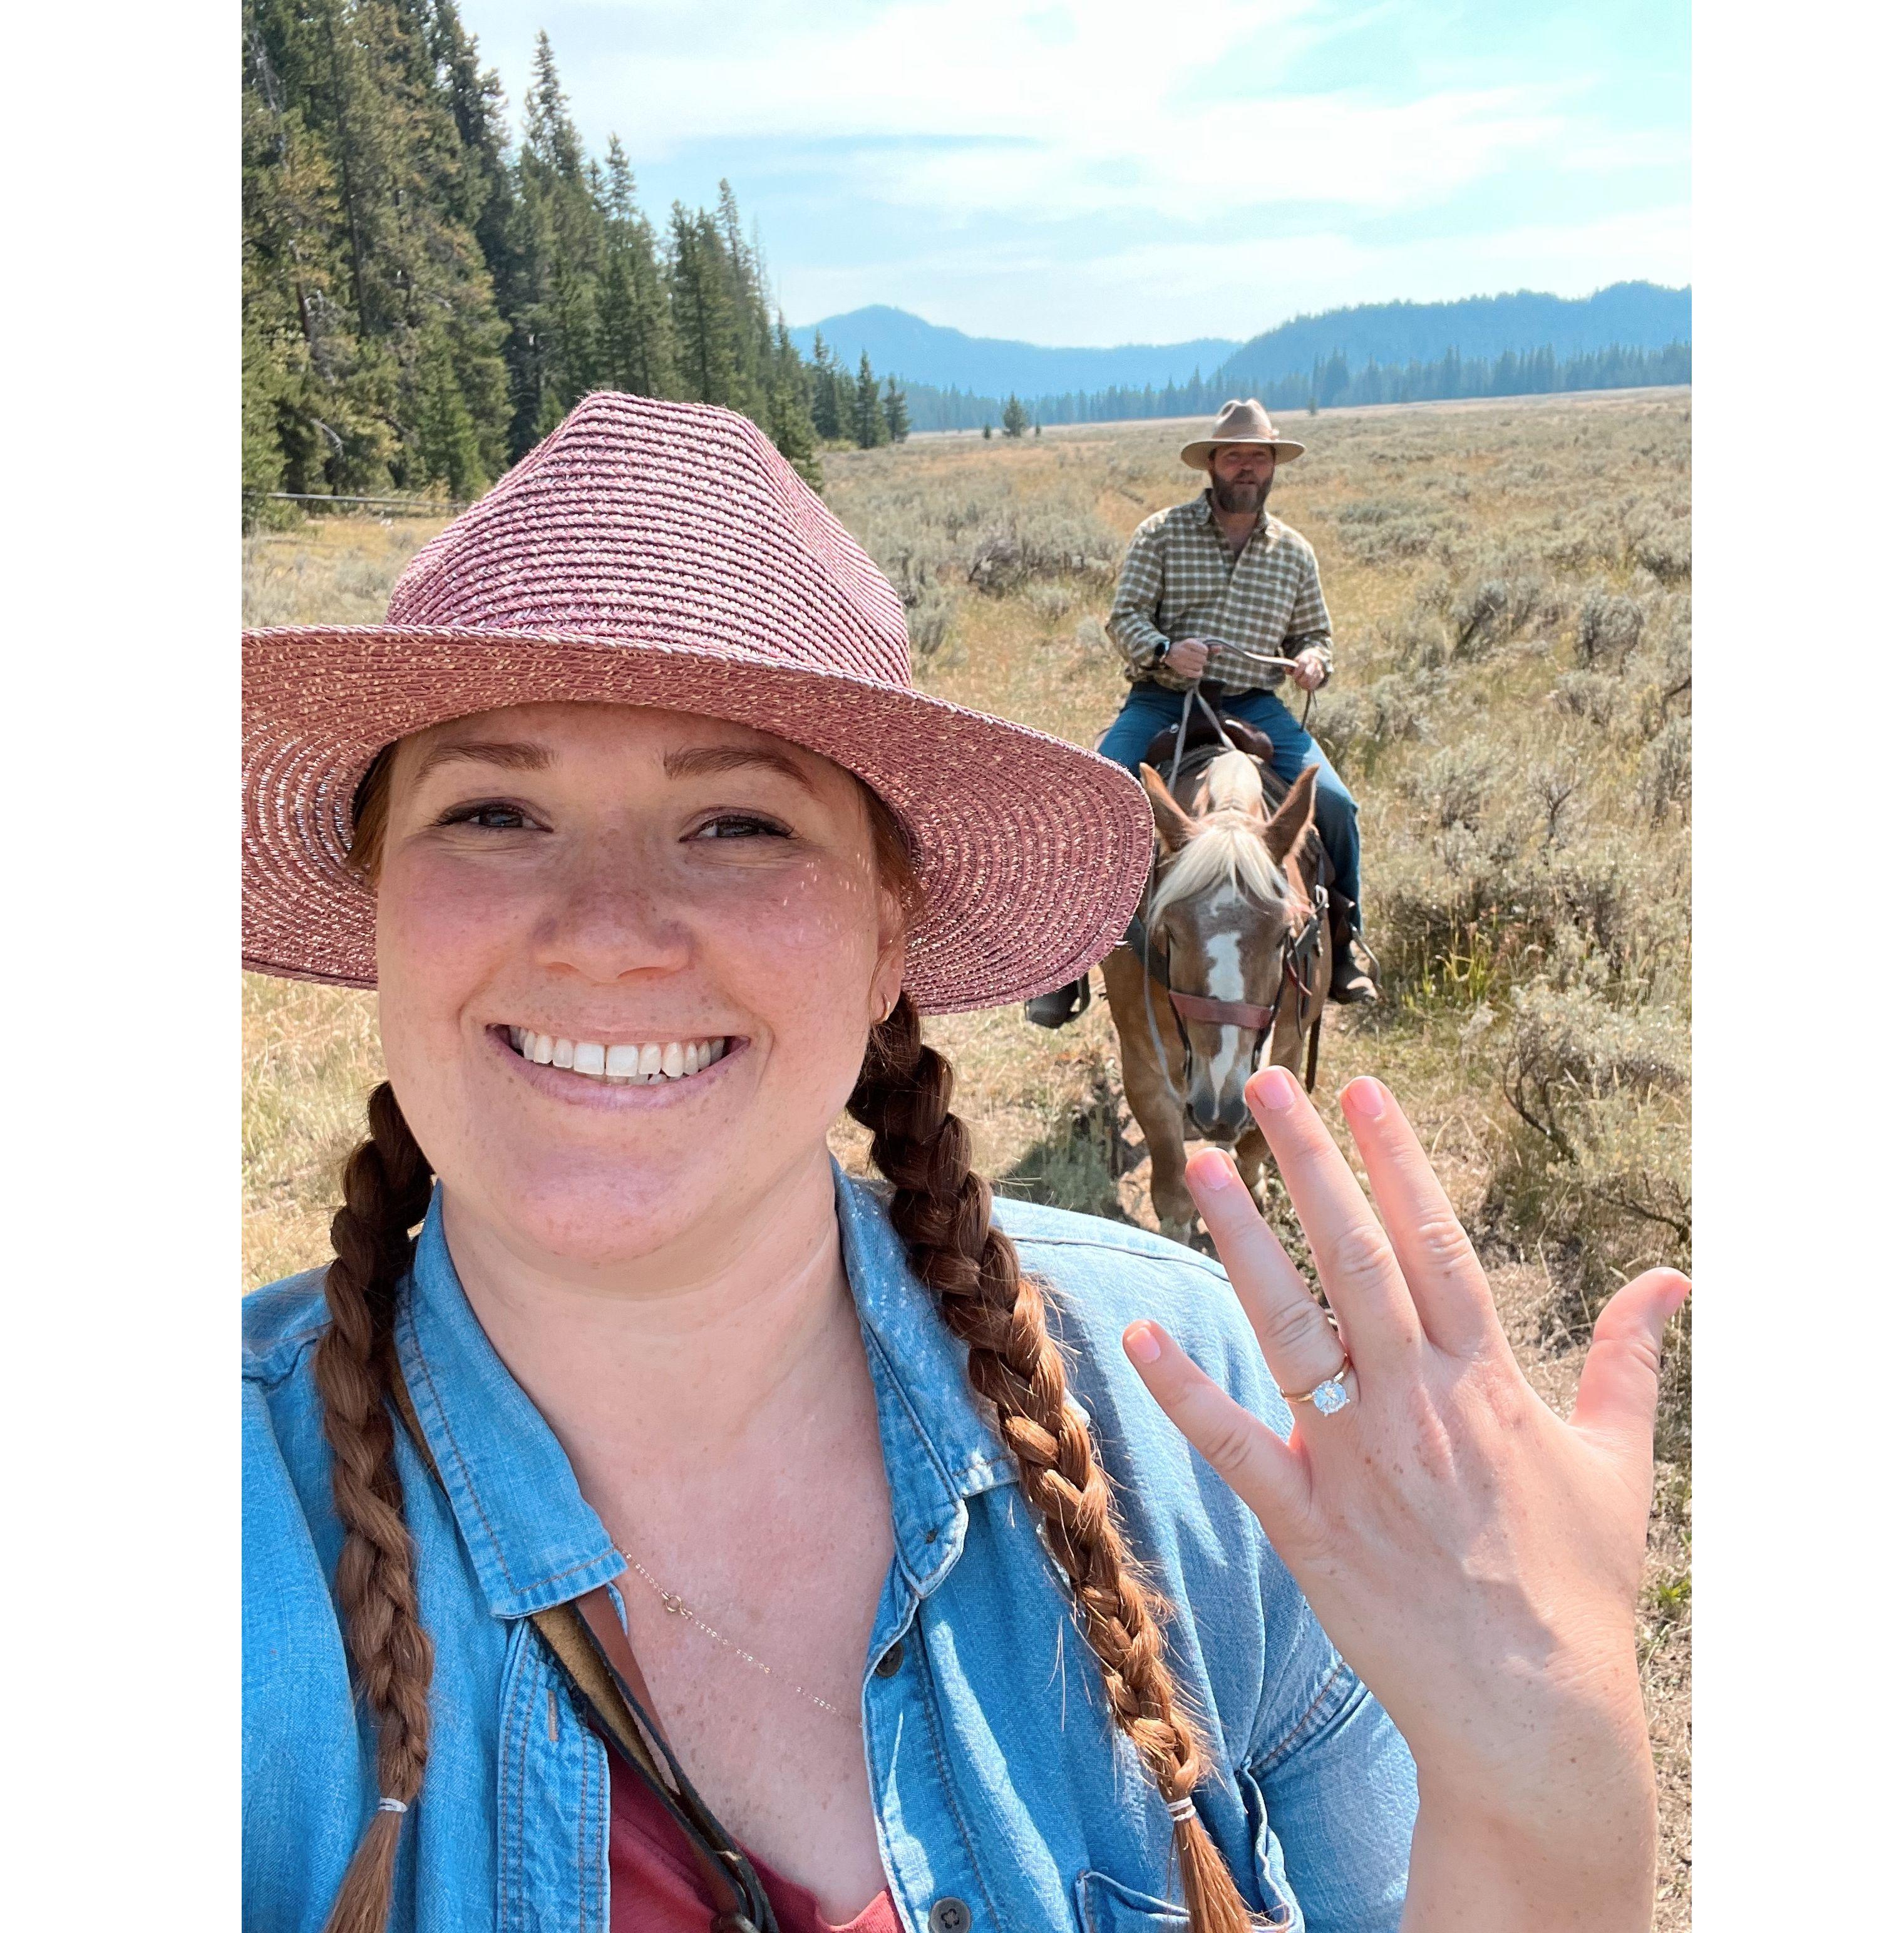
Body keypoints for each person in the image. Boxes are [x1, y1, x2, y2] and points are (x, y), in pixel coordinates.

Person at [243, 392, 1689, 1933]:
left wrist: (1549, 1786)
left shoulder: (1192, 1406)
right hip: (1173, 701)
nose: (607, 932)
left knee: (1324, 803)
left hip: (1267, 716)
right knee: (1134, 758)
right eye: (494, 811)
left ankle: (1364, 942)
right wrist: (1168, 658)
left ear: (890, 933)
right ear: (375, 896)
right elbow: (1137, 625)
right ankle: (1083, 967)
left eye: (737, 823)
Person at [1026, 399, 1374, 1031]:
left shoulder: (1293, 553)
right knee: (1096, 795)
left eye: (1259, 456)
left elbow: (1315, 634)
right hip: (1164, 697)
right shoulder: (1161, 533)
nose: (1247, 466)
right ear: (1212, 463)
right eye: (1235, 455)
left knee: (1337, 805)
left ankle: (1346, 941)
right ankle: (1066, 961)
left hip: (1255, 703)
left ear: (1272, 466)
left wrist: (1313, 662)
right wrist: (1164, 649)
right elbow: (1124, 617)